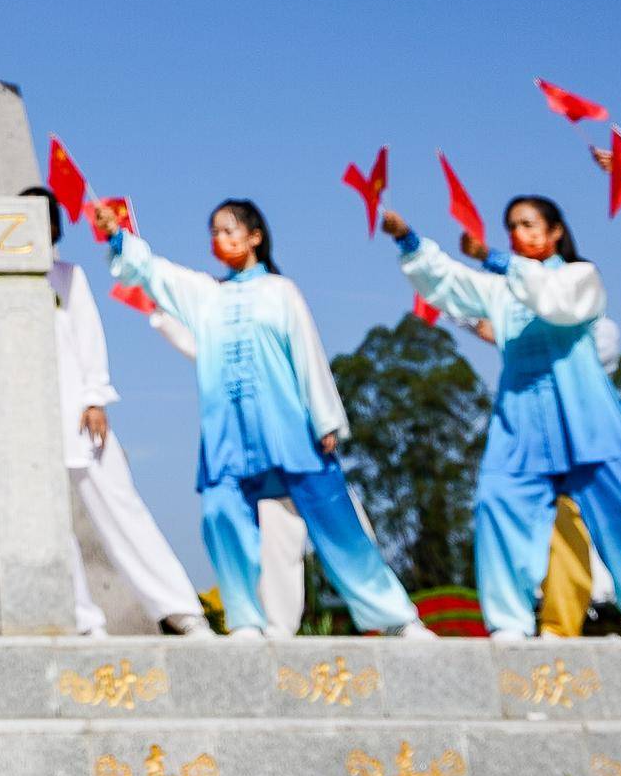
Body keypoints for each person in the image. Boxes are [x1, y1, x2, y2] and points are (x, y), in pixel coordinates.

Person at [0, 158, 208, 636]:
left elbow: (89, 340)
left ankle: (179, 610)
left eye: (41, 226)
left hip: (78, 417)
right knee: (45, 527)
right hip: (21, 427)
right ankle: (82, 620)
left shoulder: (68, 277)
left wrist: (95, 398)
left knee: (120, 507)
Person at [97, 198, 428, 639]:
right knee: (221, 515)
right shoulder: (206, 295)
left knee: (336, 522)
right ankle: (246, 619)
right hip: (227, 433)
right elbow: (154, 272)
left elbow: (307, 352)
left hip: (288, 428)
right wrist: (119, 236)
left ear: (255, 236)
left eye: (230, 230)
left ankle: (396, 618)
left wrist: (325, 418)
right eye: (214, 232)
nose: (221, 239)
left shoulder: (280, 291)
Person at [382, 194, 621, 639]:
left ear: (555, 231)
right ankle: (508, 622)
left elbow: (556, 303)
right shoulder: (502, 287)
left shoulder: (582, 277)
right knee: (497, 504)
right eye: (512, 227)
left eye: (528, 225)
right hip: (521, 416)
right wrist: (408, 239)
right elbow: (450, 284)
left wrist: (496, 257)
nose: (519, 234)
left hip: (585, 415)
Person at [123, 284, 319, 635]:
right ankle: (247, 622)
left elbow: (311, 370)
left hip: (285, 446)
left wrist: (323, 422)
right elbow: (201, 347)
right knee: (232, 532)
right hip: (236, 454)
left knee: (283, 537)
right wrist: (158, 309)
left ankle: (281, 627)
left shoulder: (280, 310)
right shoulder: (224, 341)